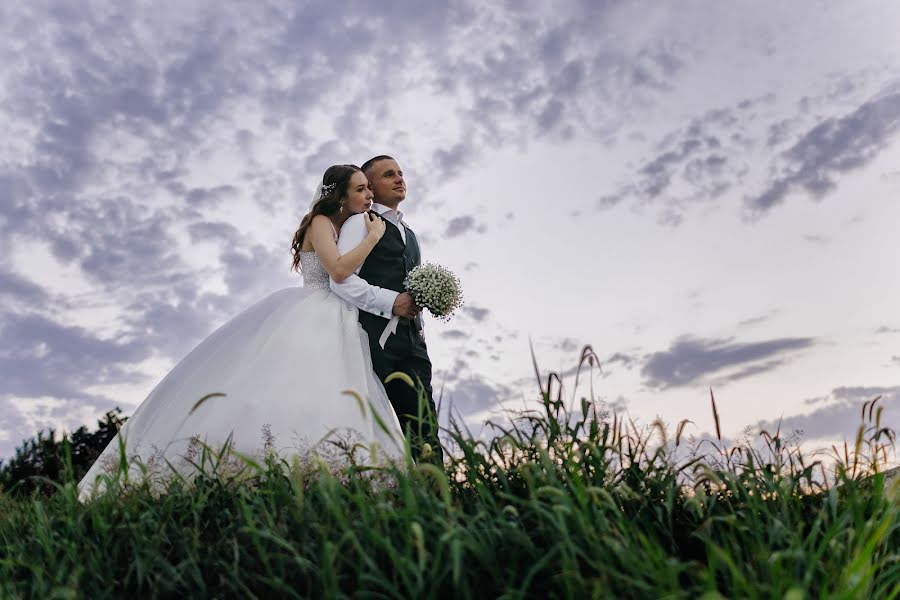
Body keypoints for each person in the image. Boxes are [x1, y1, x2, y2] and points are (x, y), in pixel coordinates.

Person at [78, 164, 405, 498]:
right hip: (314, 312)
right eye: (361, 189)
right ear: (340, 196)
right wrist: (373, 238)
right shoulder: (321, 223)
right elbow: (336, 271)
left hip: (340, 316)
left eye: (368, 188)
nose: (368, 195)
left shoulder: (344, 226)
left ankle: (329, 477)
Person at [331, 156, 444, 465]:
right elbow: (340, 281)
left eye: (401, 173)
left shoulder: (411, 233)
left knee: (425, 430)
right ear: (370, 188)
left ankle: (439, 506)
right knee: (376, 431)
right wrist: (391, 302)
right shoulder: (359, 224)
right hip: (375, 343)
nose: (399, 178)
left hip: (414, 343)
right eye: (388, 175)